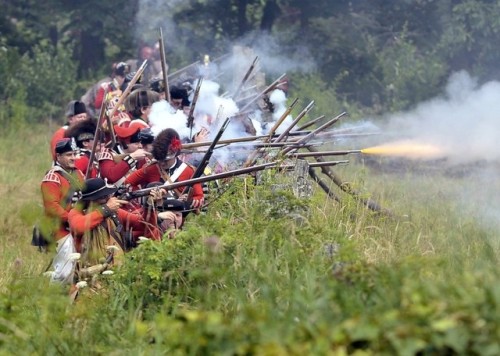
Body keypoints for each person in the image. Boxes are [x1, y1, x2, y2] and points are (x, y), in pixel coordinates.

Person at [68, 178, 163, 270]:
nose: (109, 199)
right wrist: (106, 209)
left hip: (119, 271)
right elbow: (78, 227)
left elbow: (145, 225)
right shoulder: (76, 213)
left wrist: (149, 205)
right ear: (90, 200)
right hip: (90, 272)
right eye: (103, 197)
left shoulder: (115, 212)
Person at [125, 128, 204, 236]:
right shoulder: (150, 169)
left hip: (179, 223)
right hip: (155, 223)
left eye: (165, 160)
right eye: (160, 160)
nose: (161, 163)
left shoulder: (188, 170)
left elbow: (199, 197)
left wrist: (187, 201)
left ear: (175, 154)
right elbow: (127, 184)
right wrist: (143, 202)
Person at [41, 138, 85, 283]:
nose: (73, 158)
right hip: (61, 229)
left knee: (78, 270)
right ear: (58, 157)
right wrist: (72, 218)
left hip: (78, 228)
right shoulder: (52, 177)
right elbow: (52, 207)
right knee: (63, 273)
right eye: (68, 155)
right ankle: (48, 293)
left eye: (74, 154)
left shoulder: (78, 174)